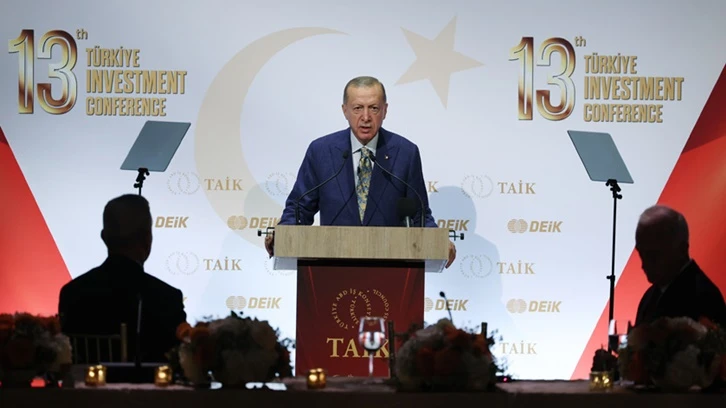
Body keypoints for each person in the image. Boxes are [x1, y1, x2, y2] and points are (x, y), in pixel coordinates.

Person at [265, 76, 455, 267]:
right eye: (357, 108)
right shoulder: (321, 151)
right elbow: (299, 209)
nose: (366, 117)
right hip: (331, 268)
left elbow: (419, 216)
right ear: (345, 110)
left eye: (374, 108)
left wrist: (438, 242)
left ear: (385, 111)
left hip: (390, 270)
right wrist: (283, 234)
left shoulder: (406, 153)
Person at [58, 194, 187, 363]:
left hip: (87, 381)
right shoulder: (167, 298)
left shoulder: (72, 293)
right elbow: (180, 361)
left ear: (104, 237)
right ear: (146, 238)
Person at [633, 205, 726, 326]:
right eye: (641, 254)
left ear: (682, 250)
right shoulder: (652, 295)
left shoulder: (704, 298)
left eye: (653, 255)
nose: (643, 264)